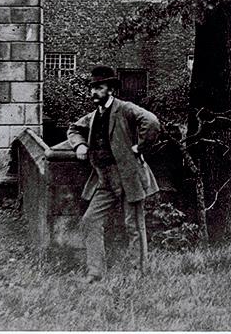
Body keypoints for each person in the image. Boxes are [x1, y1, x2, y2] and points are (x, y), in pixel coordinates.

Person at [67, 64, 161, 282]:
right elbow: (73, 128)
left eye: (98, 87)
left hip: (129, 177)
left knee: (134, 226)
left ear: (110, 89)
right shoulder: (93, 116)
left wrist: (140, 147)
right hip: (104, 179)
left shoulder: (125, 109)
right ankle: (95, 272)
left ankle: (138, 275)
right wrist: (79, 145)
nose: (93, 92)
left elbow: (152, 122)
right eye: (92, 88)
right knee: (90, 220)